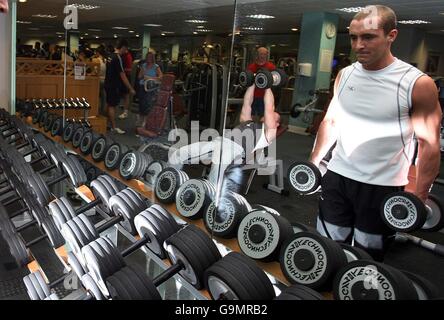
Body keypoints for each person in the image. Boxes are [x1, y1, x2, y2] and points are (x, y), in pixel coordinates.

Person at [308, 5, 442, 261]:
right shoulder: (345, 75)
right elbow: (332, 121)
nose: (359, 45)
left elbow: (429, 144)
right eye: (354, 37)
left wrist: (419, 198)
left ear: (391, 36)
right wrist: (314, 163)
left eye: (368, 37)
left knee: (366, 257)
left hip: (382, 186)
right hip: (337, 177)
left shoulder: (416, 83)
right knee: (326, 248)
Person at [104, 39, 136, 134]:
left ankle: (107, 124)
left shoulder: (110, 56)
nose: (125, 51)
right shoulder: (117, 58)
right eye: (125, 49)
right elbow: (122, 75)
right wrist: (130, 88)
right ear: (123, 47)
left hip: (108, 83)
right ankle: (114, 127)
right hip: (113, 85)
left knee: (109, 104)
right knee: (112, 106)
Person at [246, 47, 276, 121]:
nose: (262, 56)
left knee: (263, 117)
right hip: (252, 96)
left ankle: (261, 132)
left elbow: (275, 81)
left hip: (265, 97)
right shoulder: (251, 67)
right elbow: (247, 81)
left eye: (264, 54)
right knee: (250, 116)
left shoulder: (271, 67)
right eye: (261, 54)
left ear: (267, 55)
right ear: (257, 54)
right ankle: (250, 131)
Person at [137, 51, 163, 125]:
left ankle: (146, 121)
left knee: (148, 104)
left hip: (151, 88)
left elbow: (161, 77)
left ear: (152, 58)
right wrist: (142, 76)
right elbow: (139, 77)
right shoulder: (144, 65)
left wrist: (149, 78)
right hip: (142, 86)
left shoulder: (156, 66)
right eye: (147, 57)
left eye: (150, 57)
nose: (149, 58)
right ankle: (141, 120)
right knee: (142, 104)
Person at [118, 50, 134, 119]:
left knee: (126, 95)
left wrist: (122, 70)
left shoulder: (128, 56)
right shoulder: (122, 56)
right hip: (122, 77)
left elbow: (130, 70)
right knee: (124, 95)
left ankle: (125, 112)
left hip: (126, 77)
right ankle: (125, 107)